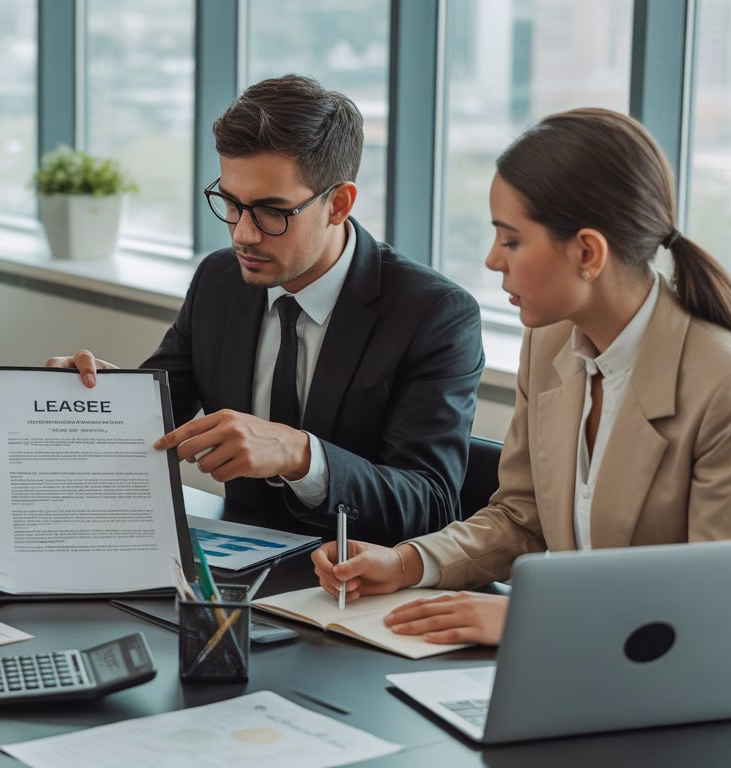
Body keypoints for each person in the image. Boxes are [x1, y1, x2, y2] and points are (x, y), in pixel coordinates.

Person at [311, 107, 731, 679]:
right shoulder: (549, 343)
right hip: (586, 674)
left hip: (709, 687)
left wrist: (529, 617)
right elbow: (523, 517)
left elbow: (720, 606)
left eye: (511, 240)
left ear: (588, 253)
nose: (492, 259)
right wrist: (408, 561)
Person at [49, 75, 484, 543]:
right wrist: (92, 404)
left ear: (338, 203)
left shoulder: (435, 314)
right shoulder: (220, 280)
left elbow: (431, 506)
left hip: (360, 585)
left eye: (271, 211)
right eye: (231, 204)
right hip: (237, 569)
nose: (242, 235)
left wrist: (302, 456)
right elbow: (155, 419)